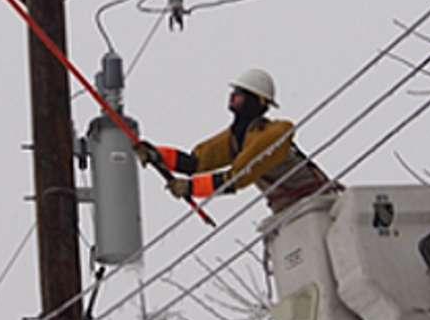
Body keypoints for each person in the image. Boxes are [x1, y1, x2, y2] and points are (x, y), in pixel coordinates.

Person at [135, 69, 336, 213]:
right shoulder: (237, 138)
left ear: (258, 102)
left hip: (320, 203)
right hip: (291, 210)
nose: (233, 98)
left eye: (239, 95)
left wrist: (191, 188)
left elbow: (237, 177)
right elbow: (195, 162)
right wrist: (156, 154)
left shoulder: (273, 135)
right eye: (233, 94)